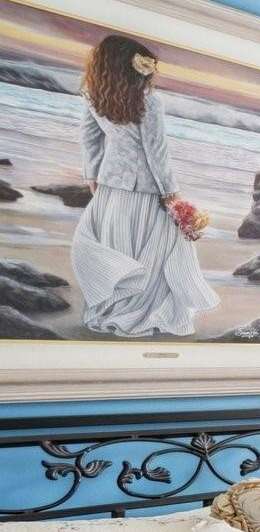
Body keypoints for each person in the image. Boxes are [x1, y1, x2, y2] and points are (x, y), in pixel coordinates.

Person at [72, 34, 218, 337]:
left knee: (119, 249)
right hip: (148, 190)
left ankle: (112, 309)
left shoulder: (93, 93)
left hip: (110, 187)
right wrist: (171, 192)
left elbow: (89, 139)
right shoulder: (149, 101)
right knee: (152, 255)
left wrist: (92, 178)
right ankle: (141, 312)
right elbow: (156, 152)